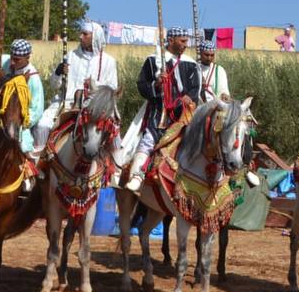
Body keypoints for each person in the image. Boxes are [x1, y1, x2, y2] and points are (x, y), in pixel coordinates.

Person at [124, 26, 201, 193]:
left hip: (183, 114)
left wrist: (189, 97)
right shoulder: (153, 60)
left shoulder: (191, 63)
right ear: (171, 40)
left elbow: (195, 88)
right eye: (182, 41)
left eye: (186, 41)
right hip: (159, 111)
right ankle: (137, 175)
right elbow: (142, 85)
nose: (185, 45)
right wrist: (157, 84)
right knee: (148, 140)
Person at [35, 20, 120, 152]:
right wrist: (58, 72)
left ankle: (115, 169)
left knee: (115, 132)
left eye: (85, 34)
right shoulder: (70, 56)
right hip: (67, 103)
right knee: (42, 125)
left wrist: (94, 86)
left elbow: (112, 89)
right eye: (81, 33)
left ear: (95, 37)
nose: (80, 37)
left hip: (95, 108)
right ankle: (36, 162)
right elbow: (54, 85)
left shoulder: (109, 61)